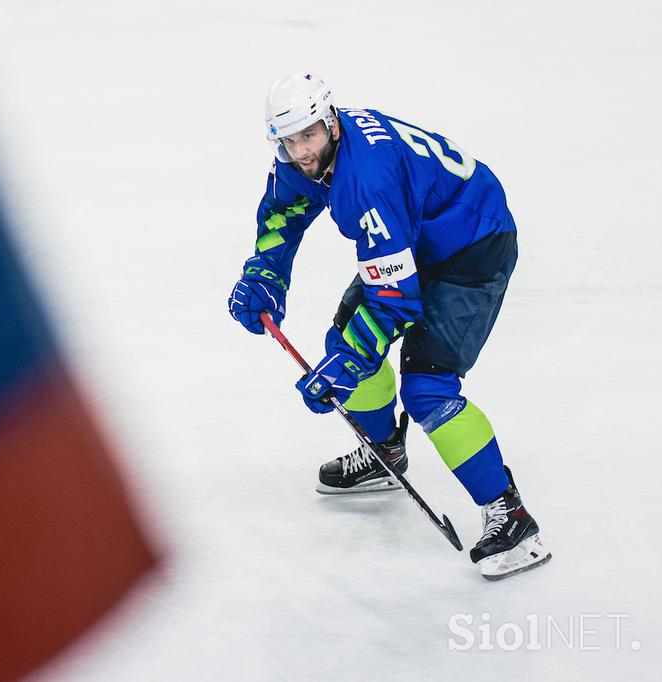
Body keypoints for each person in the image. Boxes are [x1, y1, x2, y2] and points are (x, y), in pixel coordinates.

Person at [227, 72, 550, 580]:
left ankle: (513, 518)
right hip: (417, 236)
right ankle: (384, 452)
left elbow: (395, 301)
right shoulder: (303, 158)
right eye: (287, 141)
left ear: (329, 122)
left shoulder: (366, 180)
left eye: (307, 135)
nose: (299, 151)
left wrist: (347, 365)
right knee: (347, 339)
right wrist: (266, 275)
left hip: (473, 245)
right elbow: (283, 212)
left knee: (427, 385)